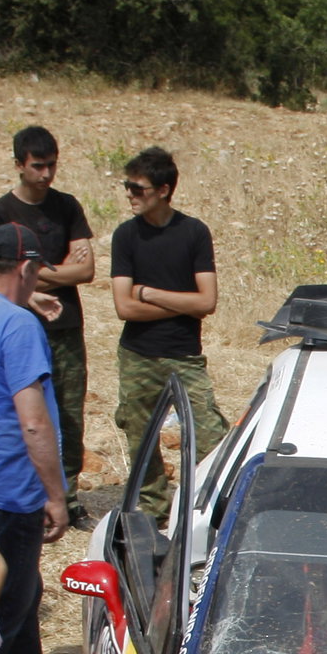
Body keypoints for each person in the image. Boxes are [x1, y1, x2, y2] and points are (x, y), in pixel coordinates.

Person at [108, 146, 226, 521]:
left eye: (137, 188)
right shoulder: (125, 236)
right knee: (141, 437)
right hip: (138, 354)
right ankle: (154, 512)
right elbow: (124, 308)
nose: (129, 193)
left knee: (209, 435)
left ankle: (206, 510)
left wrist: (149, 292)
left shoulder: (193, 233)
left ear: (163, 190)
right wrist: (181, 302)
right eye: (128, 186)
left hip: (184, 355)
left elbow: (207, 301)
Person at [0, 127, 94, 530]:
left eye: (52, 164)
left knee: (67, 413)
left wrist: (31, 277)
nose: (46, 173)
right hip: (16, 328)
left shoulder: (66, 206)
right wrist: (53, 275)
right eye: (38, 165)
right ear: (19, 164)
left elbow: (86, 270)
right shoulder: (1, 212)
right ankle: (32, 495)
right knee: (21, 412)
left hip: (64, 325)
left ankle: (66, 496)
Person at [0, 223, 73, 654]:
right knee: (11, 602)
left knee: (27, 587)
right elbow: (32, 418)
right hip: (11, 490)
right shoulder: (18, 327)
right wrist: (56, 494)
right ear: (26, 266)